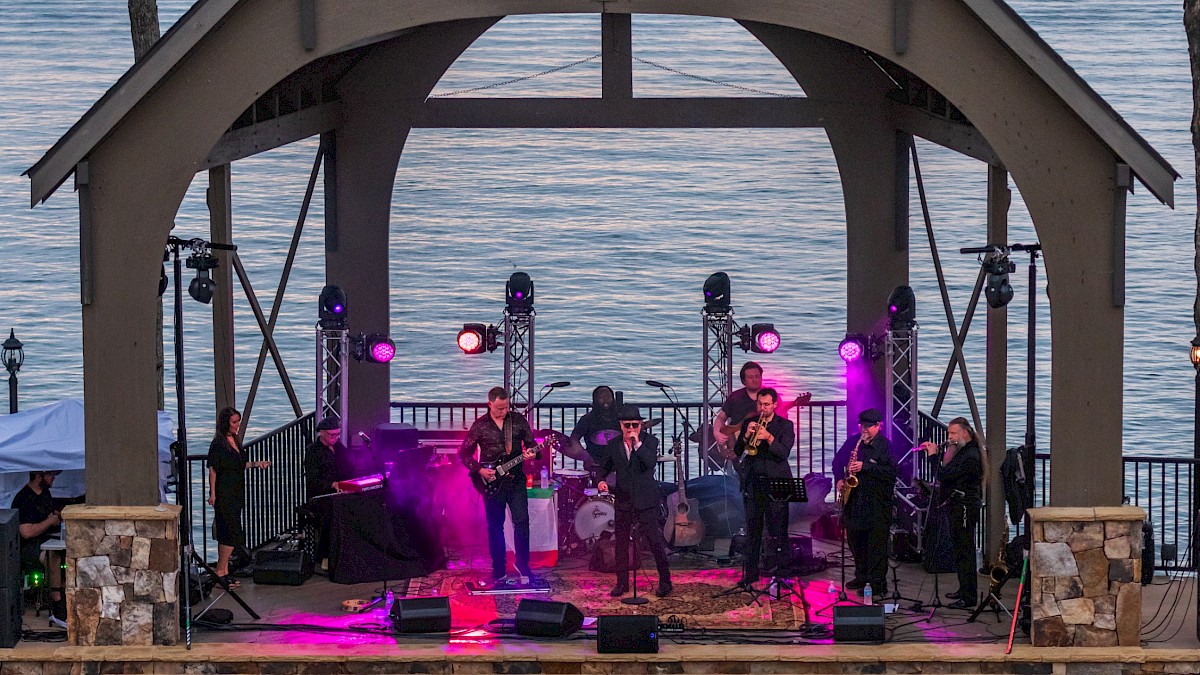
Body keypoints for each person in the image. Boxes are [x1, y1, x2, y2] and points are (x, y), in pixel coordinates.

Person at [459, 387, 539, 584]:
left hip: (516, 480)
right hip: (492, 482)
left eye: (505, 408)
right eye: (499, 409)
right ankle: (498, 568)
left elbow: (532, 445)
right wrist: (479, 470)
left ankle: (523, 565)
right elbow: (464, 453)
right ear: (490, 405)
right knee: (495, 526)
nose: (503, 412)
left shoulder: (518, 421)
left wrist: (533, 453)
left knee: (522, 523)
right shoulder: (480, 425)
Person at [596, 405, 672, 598]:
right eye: (627, 425)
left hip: (646, 499)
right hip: (623, 498)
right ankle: (622, 582)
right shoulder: (613, 445)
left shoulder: (650, 441)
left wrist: (637, 444)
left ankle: (665, 581)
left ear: (641, 425)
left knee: (654, 540)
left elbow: (650, 462)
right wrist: (601, 480)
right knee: (621, 542)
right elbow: (602, 468)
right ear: (621, 425)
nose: (631, 429)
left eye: (635, 425)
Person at [733, 388, 796, 586]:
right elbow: (737, 451)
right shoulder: (748, 423)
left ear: (775, 404)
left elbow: (783, 453)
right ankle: (751, 574)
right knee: (753, 531)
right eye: (760, 404)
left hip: (777, 482)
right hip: (753, 482)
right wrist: (745, 437)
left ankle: (782, 573)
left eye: (766, 404)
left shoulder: (785, 426)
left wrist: (768, 437)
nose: (762, 408)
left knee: (778, 531)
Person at [920, 417, 984, 609]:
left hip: (965, 506)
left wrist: (932, 456)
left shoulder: (971, 455)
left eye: (953, 434)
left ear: (965, 433)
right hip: (955, 505)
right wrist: (943, 451)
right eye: (949, 434)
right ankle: (963, 588)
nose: (950, 437)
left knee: (965, 549)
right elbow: (947, 469)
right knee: (958, 548)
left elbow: (944, 475)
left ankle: (969, 596)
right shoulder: (961, 450)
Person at [832, 408, 896, 595]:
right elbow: (837, 462)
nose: (864, 430)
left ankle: (877, 584)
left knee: (876, 545)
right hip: (855, 501)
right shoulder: (853, 442)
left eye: (868, 427)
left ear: (878, 426)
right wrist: (839, 479)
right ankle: (861, 576)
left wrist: (865, 466)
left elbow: (892, 473)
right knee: (856, 541)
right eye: (862, 426)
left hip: (877, 503)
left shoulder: (885, 446)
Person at [207, 407, 270, 588]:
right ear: (226, 423)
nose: (237, 426)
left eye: (238, 422)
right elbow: (213, 469)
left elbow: (240, 464)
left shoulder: (234, 440)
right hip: (224, 492)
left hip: (236, 491)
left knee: (230, 530)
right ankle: (220, 571)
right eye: (234, 422)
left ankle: (224, 571)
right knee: (230, 531)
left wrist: (257, 464)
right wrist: (212, 493)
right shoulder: (218, 444)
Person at [12, 470, 65, 626]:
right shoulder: (24, 498)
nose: (53, 478)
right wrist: (49, 521)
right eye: (49, 475)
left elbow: (49, 514)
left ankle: (65, 593)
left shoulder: (45, 493)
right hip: (29, 548)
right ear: (38, 476)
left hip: (48, 540)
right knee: (52, 556)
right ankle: (58, 606)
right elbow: (26, 532)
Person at [303, 416, 356, 568]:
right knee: (331, 512)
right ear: (322, 433)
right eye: (333, 435)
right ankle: (326, 554)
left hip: (342, 491)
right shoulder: (313, 452)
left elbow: (350, 467)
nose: (336, 438)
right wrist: (332, 484)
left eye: (338, 434)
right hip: (321, 496)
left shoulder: (339, 448)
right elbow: (313, 480)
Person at [712, 361, 764, 454]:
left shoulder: (770, 397)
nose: (754, 380)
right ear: (743, 381)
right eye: (750, 377)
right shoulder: (735, 397)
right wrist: (717, 433)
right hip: (738, 445)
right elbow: (721, 417)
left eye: (757, 376)